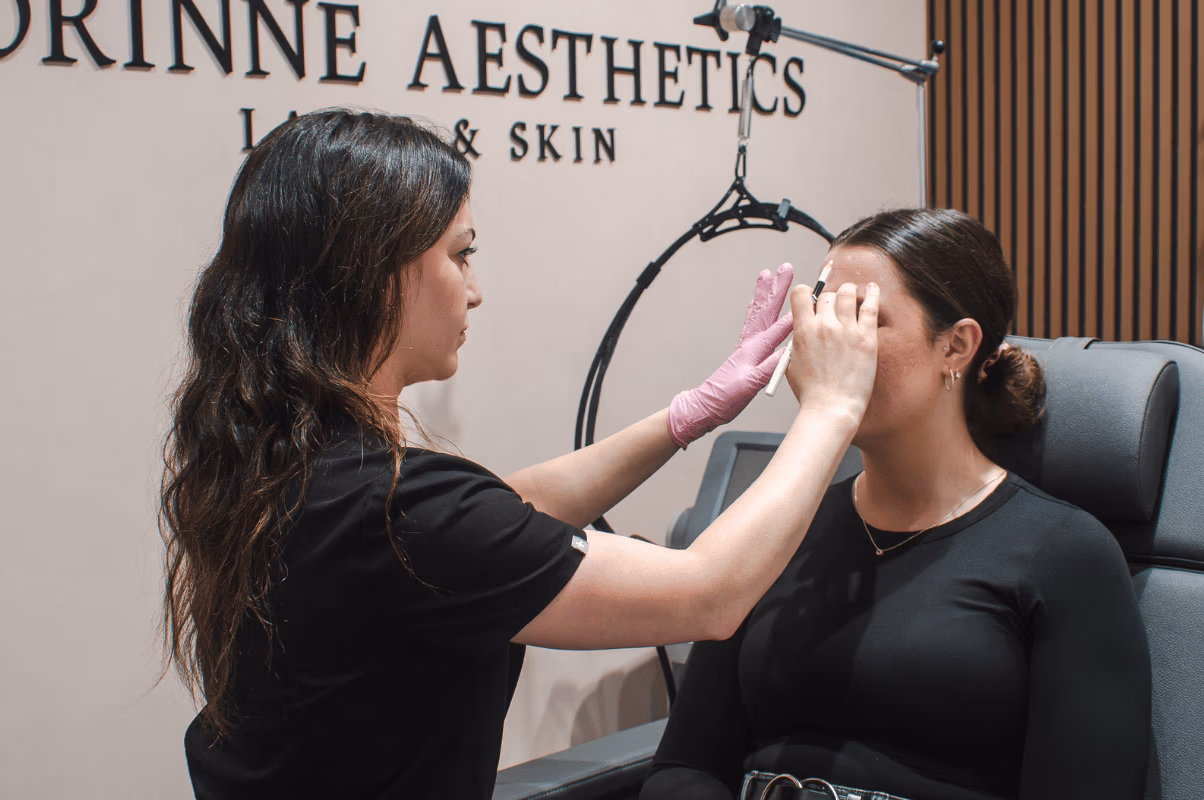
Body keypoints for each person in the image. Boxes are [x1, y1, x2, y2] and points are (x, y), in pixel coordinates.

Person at [159, 108, 881, 798]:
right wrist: (831, 408)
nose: (474, 291)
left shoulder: (291, 470)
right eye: (460, 255)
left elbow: (505, 509)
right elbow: (709, 594)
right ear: (374, 273)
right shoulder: (396, 512)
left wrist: (687, 415)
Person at [642, 209, 1151, 800]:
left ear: (956, 346)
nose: (825, 343)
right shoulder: (777, 528)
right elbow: (685, 766)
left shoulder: (1064, 553)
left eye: (860, 318)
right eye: (822, 314)